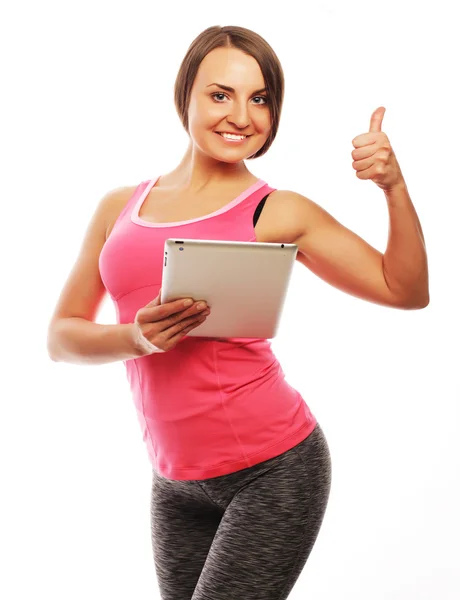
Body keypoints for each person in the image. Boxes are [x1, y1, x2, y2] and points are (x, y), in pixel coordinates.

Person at [47, 24, 429, 600]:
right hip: (173, 481)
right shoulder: (117, 209)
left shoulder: (277, 210)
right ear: (186, 97)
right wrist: (137, 338)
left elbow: (403, 289)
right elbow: (61, 336)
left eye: (260, 99)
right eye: (220, 94)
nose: (241, 116)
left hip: (274, 470)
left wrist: (393, 186)